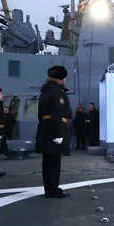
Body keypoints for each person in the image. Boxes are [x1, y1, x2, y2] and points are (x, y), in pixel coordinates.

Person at [35, 65, 71, 198]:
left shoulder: (45, 92)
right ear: (61, 79)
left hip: (45, 129)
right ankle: (53, 190)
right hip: (54, 130)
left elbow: (41, 114)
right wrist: (58, 134)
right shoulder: (57, 93)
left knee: (47, 163)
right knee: (54, 163)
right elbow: (56, 113)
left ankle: (49, 189)